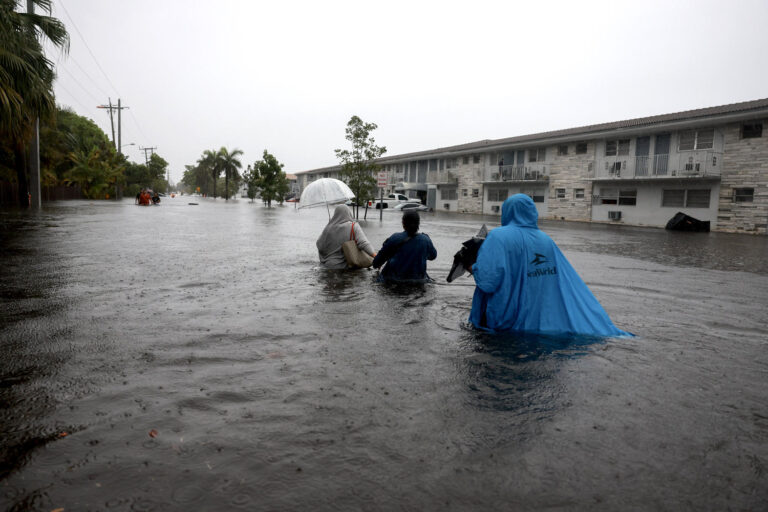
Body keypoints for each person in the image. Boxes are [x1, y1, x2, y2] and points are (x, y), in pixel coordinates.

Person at [469, 193, 631, 337]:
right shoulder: (545, 240)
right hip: (538, 321)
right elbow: (558, 280)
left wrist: (471, 265)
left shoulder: (498, 236)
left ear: (507, 212)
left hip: (503, 321)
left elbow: (488, 281)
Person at [372, 210, 437, 283]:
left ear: (403, 223)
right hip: (419, 282)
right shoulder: (426, 240)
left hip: (393, 282)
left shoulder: (394, 238)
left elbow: (375, 263)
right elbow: (433, 256)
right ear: (418, 223)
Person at [316, 205, 376, 269]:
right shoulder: (353, 226)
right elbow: (363, 243)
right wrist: (376, 257)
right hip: (343, 268)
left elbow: (319, 244)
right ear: (349, 213)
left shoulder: (328, 228)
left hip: (326, 266)